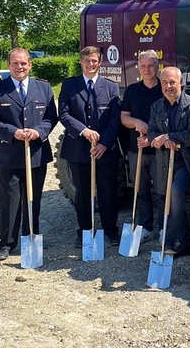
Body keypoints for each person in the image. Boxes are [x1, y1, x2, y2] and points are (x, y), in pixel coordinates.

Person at [0, 48, 58, 261]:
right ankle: (6, 243)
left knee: (33, 199)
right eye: (15, 63)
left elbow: (51, 117)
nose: (20, 67)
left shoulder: (43, 88)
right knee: (9, 201)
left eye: (24, 63)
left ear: (30, 65)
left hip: (36, 153)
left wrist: (39, 131)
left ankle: (31, 236)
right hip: (9, 155)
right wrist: (13, 132)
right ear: (8, 65)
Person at [58, 46, 122, 248]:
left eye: (94, 61)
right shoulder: (70, 86)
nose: (91, 64)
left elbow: (114, 120)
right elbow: (64, 114)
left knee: (108, 193)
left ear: (100, 62)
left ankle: (110, 230)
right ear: (81, 62)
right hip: (78, 149)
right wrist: (84, 130)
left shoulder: (111, 87)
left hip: (105, 151)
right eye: (87, 61)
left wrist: (104, 143)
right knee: (83, 194)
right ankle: (84, 231)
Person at [147, 67, 190, 258]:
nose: (169, 86)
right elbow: (152, 132)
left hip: (186, 163)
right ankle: (183, 244)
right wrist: (163, 140)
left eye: (173, 82)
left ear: (181, 83)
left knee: (176, 192)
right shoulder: (156, 107)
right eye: (165, 82)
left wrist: (168, 136)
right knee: (167, 198)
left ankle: (173, 240)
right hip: (164, 161)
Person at [120, 50, 164, 242]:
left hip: (159, 150)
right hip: (136, 149)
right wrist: (136, 122)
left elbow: (169, 120)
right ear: (138, 66)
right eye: (143, 66)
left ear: (157, 67)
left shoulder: (165, 89)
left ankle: (164, 227)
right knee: (141, 190)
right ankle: (145, 226)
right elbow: (124, 118)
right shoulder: (131, 90)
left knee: (163, 191)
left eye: (151, 66)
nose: (147, 70)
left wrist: (151, 138)